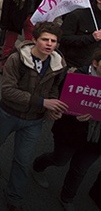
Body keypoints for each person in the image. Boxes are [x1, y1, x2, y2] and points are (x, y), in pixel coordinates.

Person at [0, 22, 68, 211]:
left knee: (22, 160)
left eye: (53, 41)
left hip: (34, 121)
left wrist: (51, 107)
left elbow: (53, 89)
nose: (49, 44)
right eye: (45, 39)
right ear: (34, 40)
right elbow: (7, 91)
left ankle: (14, 199)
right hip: (9, 113)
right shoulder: (16, 59)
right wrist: (42, 103)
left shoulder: (58, 64)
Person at [31, 47, 101, 210]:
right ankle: (38, 165)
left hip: (96, 140)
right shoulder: (76, 76)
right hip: (71, 133)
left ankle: (67, 198)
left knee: (80, 170)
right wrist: (74, 116)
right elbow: (60, 103)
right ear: (95, 63)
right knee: (59, 160)